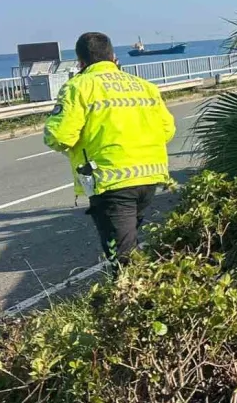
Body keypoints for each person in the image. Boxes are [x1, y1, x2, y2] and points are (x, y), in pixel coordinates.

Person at [43, 32, 176, 266]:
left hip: (112, 181)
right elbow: (168, 130)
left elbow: (58, 136)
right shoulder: (143, 86)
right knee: (130, 249)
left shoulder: (78, 87)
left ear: (80, 62)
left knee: (123, 260)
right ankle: (144, 294)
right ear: (113, 56)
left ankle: (134, 299)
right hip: (149, 178)